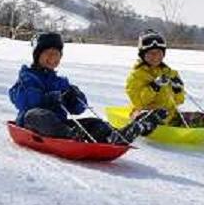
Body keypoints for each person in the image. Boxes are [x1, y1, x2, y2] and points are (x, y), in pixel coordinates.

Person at [9, 32, 166, 144]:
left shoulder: (61, 81)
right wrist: (52, 97)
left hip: (60, 128)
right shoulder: (27, 77)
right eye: (48, 54)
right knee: (37, 114)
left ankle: (114, 136)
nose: (53, 59)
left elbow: (77, 110)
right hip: (32, 124)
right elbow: (27, 103)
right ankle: (72, 137)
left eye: (57, 55)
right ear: (37, 56)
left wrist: (75, 96)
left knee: (93, 122)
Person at [125, 29, 204, 143]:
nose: (155, 57)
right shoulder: (136, 75)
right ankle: (144, 126)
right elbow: (139, 101)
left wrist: (177, 89)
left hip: (170, 116)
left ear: (163, 54)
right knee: (144, 115)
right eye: (150, 53)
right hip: (144, 113)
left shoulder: (170, 73)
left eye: (158, 53)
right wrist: (154, 86)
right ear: (143, 54)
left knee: (202, 119)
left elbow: (179, 100)